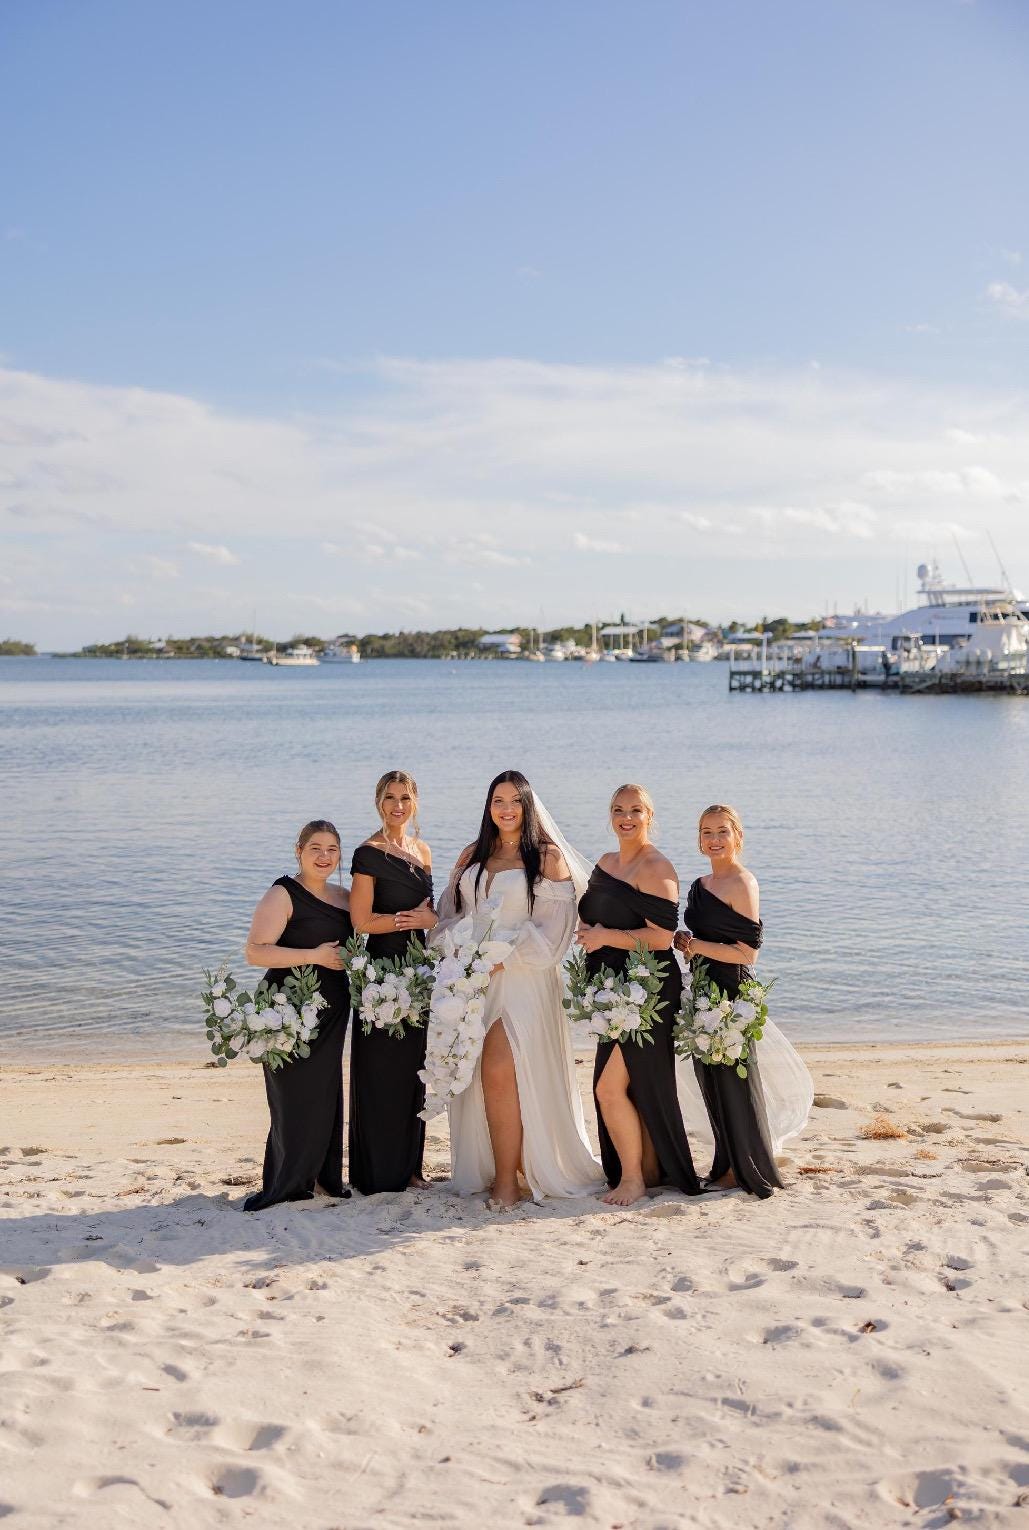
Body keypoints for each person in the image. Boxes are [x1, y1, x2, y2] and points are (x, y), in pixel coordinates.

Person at [432, 770, 603, 1208]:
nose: (506, 809)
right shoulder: (472, 854)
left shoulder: (546, 858)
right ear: (488, 807)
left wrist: (502, 958)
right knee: (483, 1077)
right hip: (474, 982)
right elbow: (448, 915)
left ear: (528, 806)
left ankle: (507, 1179)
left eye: (515, 801)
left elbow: (554, 934)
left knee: (499, 1065)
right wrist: (461, 953)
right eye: (497, 800)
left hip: (523, 978)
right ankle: (502, 1166)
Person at [674, 804, 810, 1197]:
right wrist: (688, 945)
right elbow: (707, 942)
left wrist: (697, 944)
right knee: (710, 1080)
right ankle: (726, 1164)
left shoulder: (742, 883)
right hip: (701, 991)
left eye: (722, 832)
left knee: (735, 1081)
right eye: (706, 833)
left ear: (738, 836)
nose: (714, 840)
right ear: (699, 840)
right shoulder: (699, 885)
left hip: (731, 995)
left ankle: (746, 1167)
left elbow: (747, 953)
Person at [577, 785, 700, 1205]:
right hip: (613, 993)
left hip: (647, 992)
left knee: (609, 1089)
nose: (625, 817)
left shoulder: (656, 866)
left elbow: (663, 938)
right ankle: (645, 1169)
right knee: (625, 1089)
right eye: (617, 810)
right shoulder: (605, 862)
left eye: (634, 810)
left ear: (649, 815)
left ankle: (633, 1180)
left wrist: (605, 935)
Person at [241, 821, 352, 1210]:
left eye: (332, 850)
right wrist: (315, 956)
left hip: (334, 1007)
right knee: (291, 1095)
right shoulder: (282, 894)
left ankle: (321, 1178)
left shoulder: (345, 897)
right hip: (289, 1009)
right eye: (315, 848)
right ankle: (287, 1182)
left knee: (324, 1093)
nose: (324, 857)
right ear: (299, 851)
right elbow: (255, 951)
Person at [348, 771, 437, 1194]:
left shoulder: (423, 850)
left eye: (404, 797)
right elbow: (361, 920)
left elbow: (432, 914)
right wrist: (408, 921)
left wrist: (430, 922)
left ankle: (411, 1169)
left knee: (412, 1073)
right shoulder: (367, 853)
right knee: (380, 1072)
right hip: (382, 973)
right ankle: (378, 1173)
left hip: (419, 974)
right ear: (378, 802)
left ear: (415, 802)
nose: (397, 805)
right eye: (389, 797)